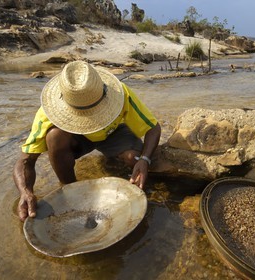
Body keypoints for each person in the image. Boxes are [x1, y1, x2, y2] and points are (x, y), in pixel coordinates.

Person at [13, 60, 161, 222]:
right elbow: (25, 160)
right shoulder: (46, 114)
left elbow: (153, 128)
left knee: (134, 159)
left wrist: (145, 159)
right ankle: (70, 188)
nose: (91, 120)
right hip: (78, 139)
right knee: (54, 137)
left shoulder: (121, 94)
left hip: (113, 133)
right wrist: (25, 191)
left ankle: (118, 160)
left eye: (96, 112)